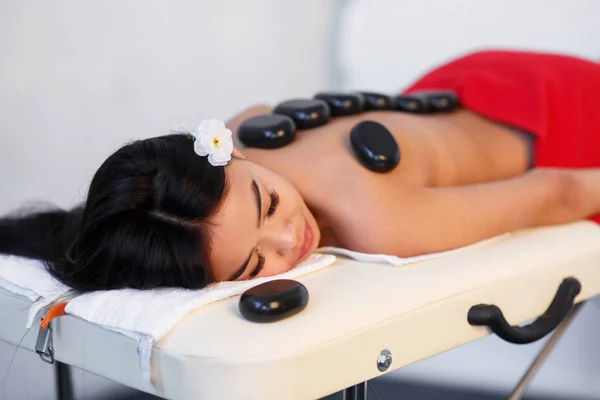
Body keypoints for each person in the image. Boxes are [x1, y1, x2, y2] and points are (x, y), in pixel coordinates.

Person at [2, 49, 600, 292]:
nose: (292, 239)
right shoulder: (238, 137)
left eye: (267, 204)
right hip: (454, 91)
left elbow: (556, 190)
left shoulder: (383, 220)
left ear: (232, 156)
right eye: (253, 264)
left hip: (561, 124)